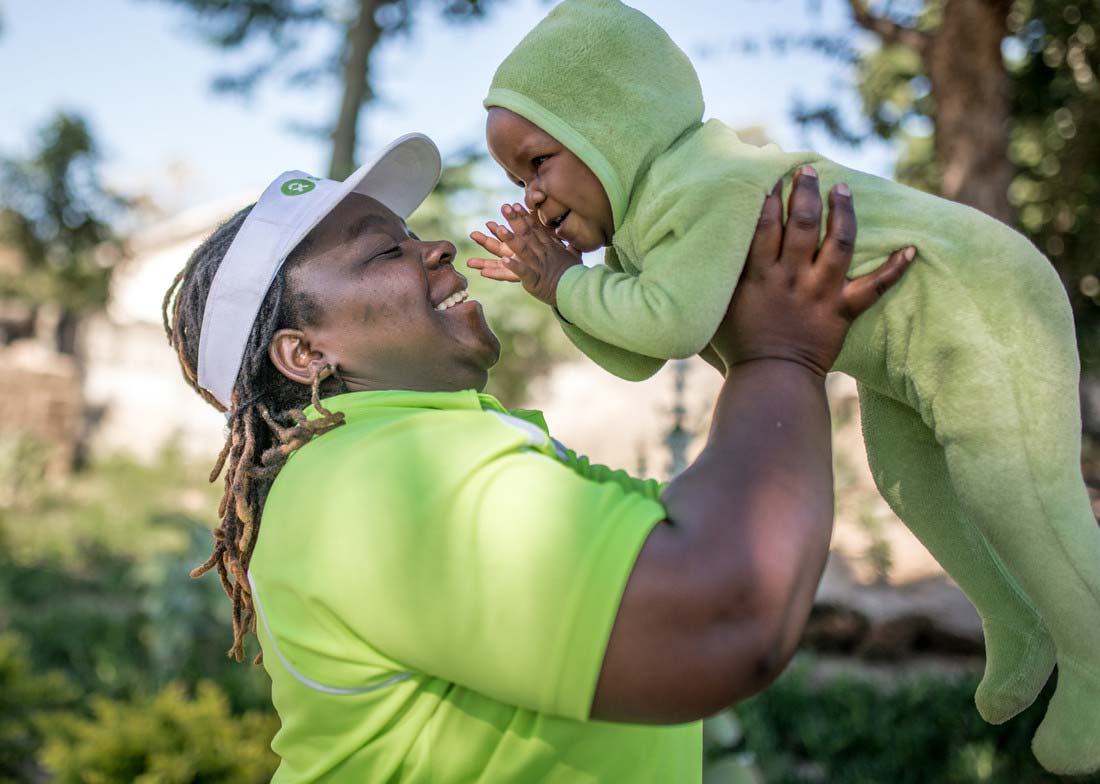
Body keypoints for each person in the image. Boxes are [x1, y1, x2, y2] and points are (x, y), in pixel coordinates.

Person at [467, 1, 1100, 774]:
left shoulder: (704, 183)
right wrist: (558, 290)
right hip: (903, 351)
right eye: (513, 178)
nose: (529, 195)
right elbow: (637, 355)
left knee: (1017, 490)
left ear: (612, 126)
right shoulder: (645, 223)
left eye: (537, 162)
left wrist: (565, 281)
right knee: (912, 484)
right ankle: (1019, 622)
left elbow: (667, 323)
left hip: (976, 301)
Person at [163, 132, 910, 782]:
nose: (437, 246)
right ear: (304, 352)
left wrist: (697, 311)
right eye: (385, 250)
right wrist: (779, 354)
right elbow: (720, 613)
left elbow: (685, 525)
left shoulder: (429, 445)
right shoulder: (372, 480)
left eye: (411, 231)